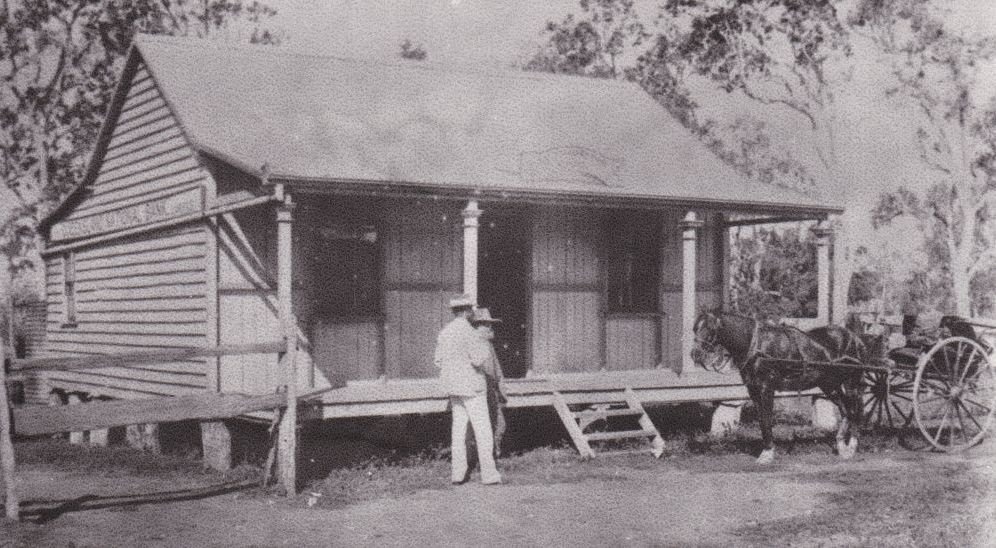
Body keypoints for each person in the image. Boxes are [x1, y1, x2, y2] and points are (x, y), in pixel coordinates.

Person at [434, 294, 502, 485]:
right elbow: (479, 359)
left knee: (458, 431)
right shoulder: (470, 333)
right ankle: (489, 474)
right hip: (472, 387)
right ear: (465, 311)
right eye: (471, 309)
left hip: (453, 387)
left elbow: (438, 361)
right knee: (483, 430)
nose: (473, 312)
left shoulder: (445, 333)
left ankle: (457, 474)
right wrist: (484, 343)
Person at [471, 308, 507, 458]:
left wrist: (501, 390)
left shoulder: (488, 345)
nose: (490, 328)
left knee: (499, 424)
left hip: (491, 392)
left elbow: (497, 370)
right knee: (482, 427)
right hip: (479, 392)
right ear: (477, 327)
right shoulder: (474, 344)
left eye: (490, 324)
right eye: (485, 325)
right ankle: (482, 458)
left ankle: (493, 454)